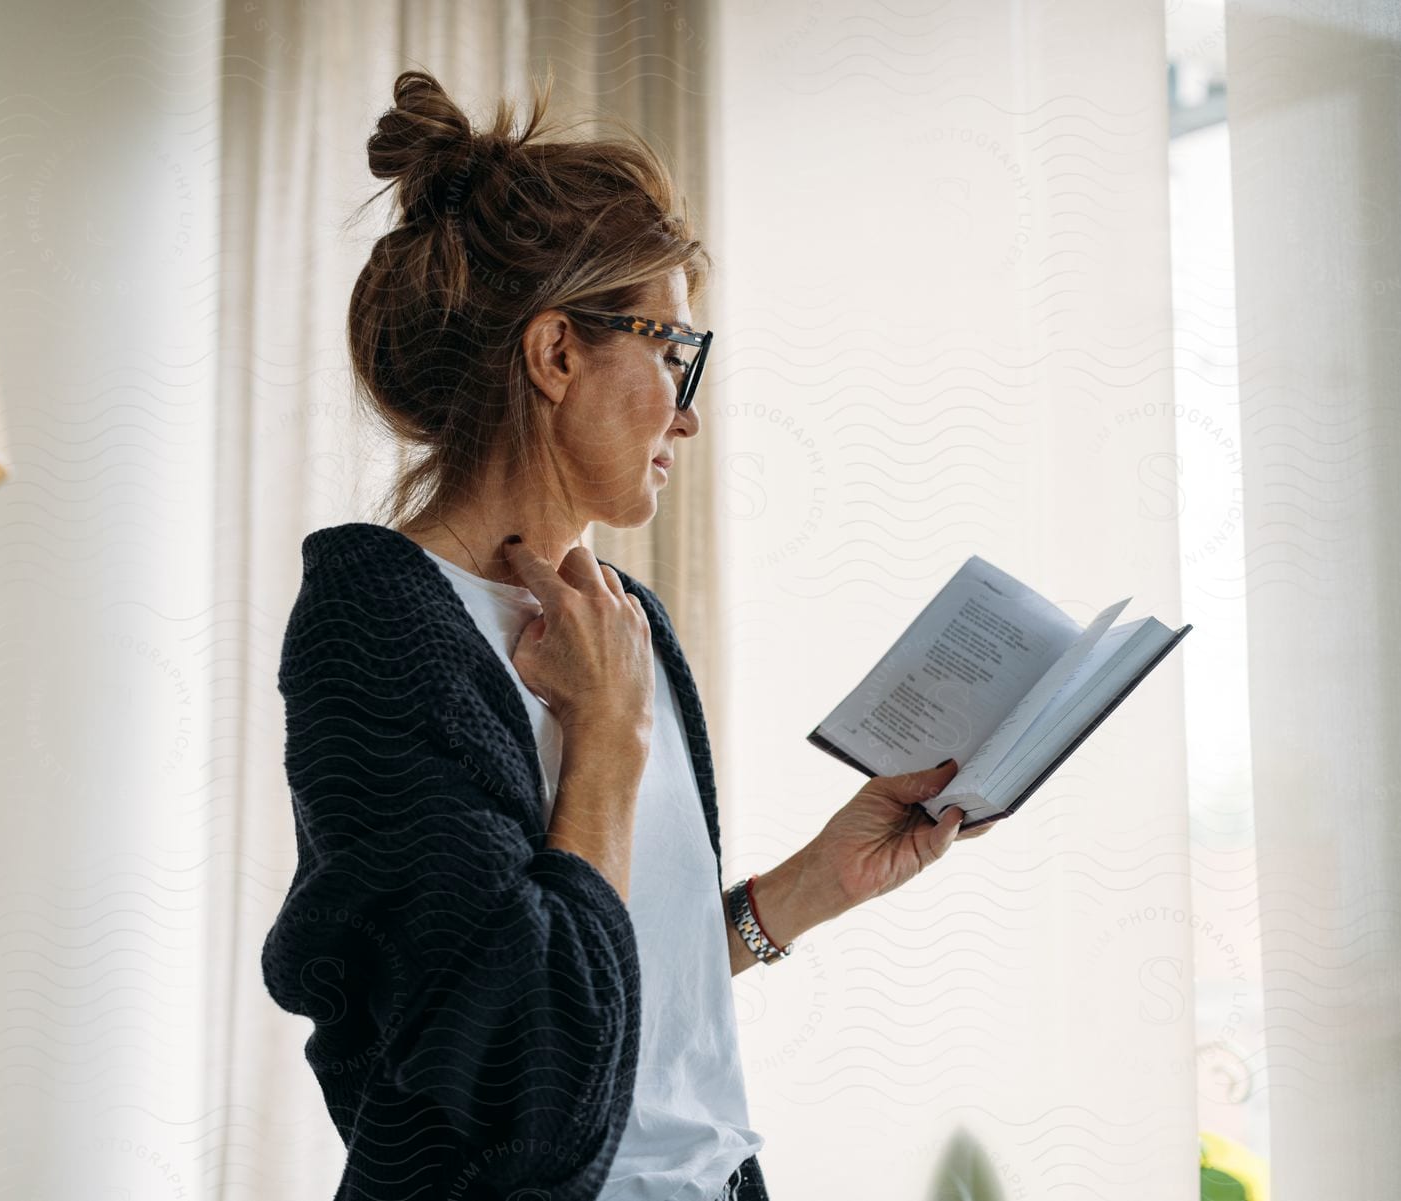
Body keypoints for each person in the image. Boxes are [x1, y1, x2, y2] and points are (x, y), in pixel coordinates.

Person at [260, 68, 992, 1201]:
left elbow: (618, 974)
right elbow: (523, 1072)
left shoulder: (623, 620)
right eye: (672, 354)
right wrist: (603, 735)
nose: (688, 410)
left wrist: (809, 887)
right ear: (556, 355)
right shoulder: (377, 619)